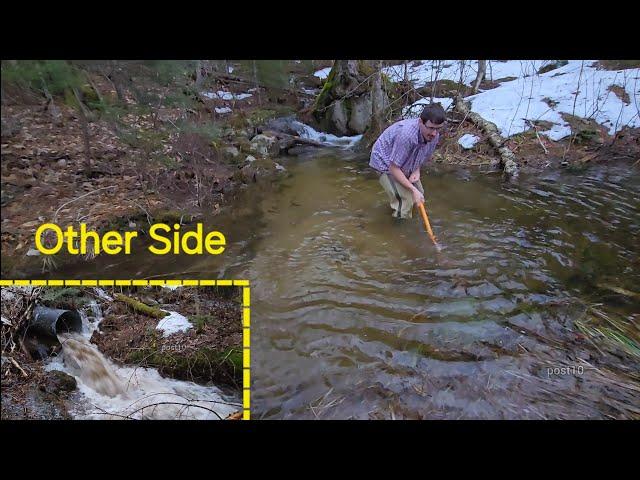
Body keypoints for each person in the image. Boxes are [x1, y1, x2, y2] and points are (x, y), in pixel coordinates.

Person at [369, 103, 445, 219]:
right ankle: (397, 234)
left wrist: (416, 171)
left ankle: (397, 207)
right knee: (405, 202)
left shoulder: (434, 136)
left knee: (419, 195)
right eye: (431, 128)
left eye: (438, 129)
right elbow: (393, 168)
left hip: (404, 162)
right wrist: (412, 189)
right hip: (384, 162)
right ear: (420, 122)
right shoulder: (407, 135)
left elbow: (421, 154)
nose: (434, 133)